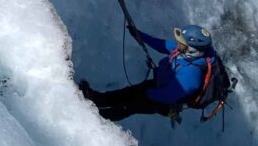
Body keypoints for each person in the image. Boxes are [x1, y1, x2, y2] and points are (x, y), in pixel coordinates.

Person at [79, 25, 216, 122]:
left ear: (193, 49)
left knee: (129, 107)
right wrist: (139, 35)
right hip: (158, 85)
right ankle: (96, 98)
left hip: (163, 101)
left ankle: (97, 117)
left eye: (182, 43)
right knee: (126, 93)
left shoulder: (190, 76)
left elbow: (168, 95)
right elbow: (162, 45)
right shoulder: (186, 51)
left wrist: (148, 94)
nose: (178, 44)